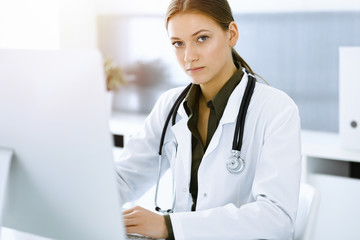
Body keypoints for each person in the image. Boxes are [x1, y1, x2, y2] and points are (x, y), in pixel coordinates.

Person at [118, 0, 302, 239]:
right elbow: (124, 177)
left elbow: (276, 218)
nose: (189, 56)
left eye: (202, 38)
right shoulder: (170, 105)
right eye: (178, 43)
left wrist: (168, 226)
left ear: (231, 34)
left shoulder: (276, 109)